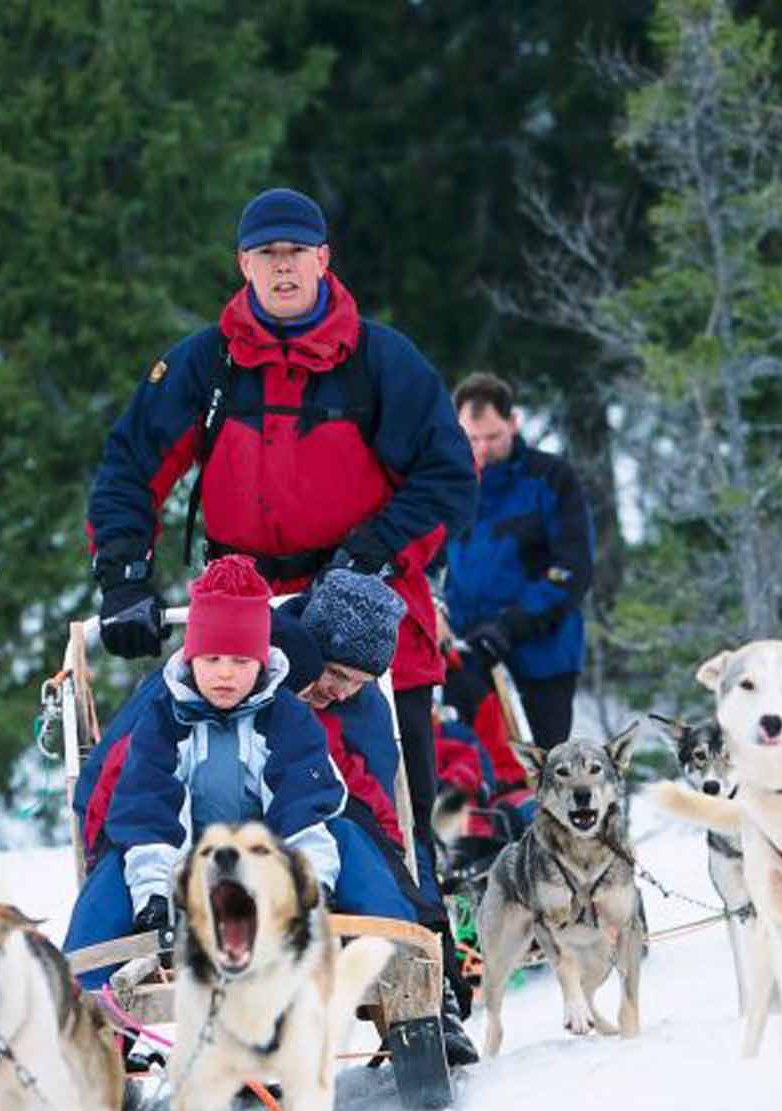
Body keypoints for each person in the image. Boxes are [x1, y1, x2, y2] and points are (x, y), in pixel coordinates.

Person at [85, 186, 476, 909]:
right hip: (243, 608)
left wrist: (370, 552)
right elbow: (129, 466)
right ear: (244, 265)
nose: (284, 267)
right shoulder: (208, 366)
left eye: (297, 252)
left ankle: (429, 964)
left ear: (324, 259)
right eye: (268, 254)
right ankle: (171, 917)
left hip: (367, 600)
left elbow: (448, 478)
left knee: (402, 793)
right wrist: (125, 573)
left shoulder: (381, 362)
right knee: (192, 769)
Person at [61, 558, 346, 987]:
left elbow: (302, 813)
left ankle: (400, 977)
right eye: (211, 658)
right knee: (109, 886)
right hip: (182, 868)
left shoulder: (288, 718)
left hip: (263, 871)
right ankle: (78, 1005)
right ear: (191, 658)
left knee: (352, 845)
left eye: (240, 660)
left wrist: (309, 887)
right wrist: (154, 897)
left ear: (262, 661)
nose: (225, 673)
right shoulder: (162, 717)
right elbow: (147, 814)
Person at [441, 372, 595, 751]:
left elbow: (571, 568)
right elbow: (426, 557)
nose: (481, 450)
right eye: (471, 438)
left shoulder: (551, 478)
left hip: (542, 647)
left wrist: (510, 626)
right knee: (467, 757)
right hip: (467, 648)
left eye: (492, 437)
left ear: (513, 423)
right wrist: (435, 612)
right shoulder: (449, 484)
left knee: (545, 760)